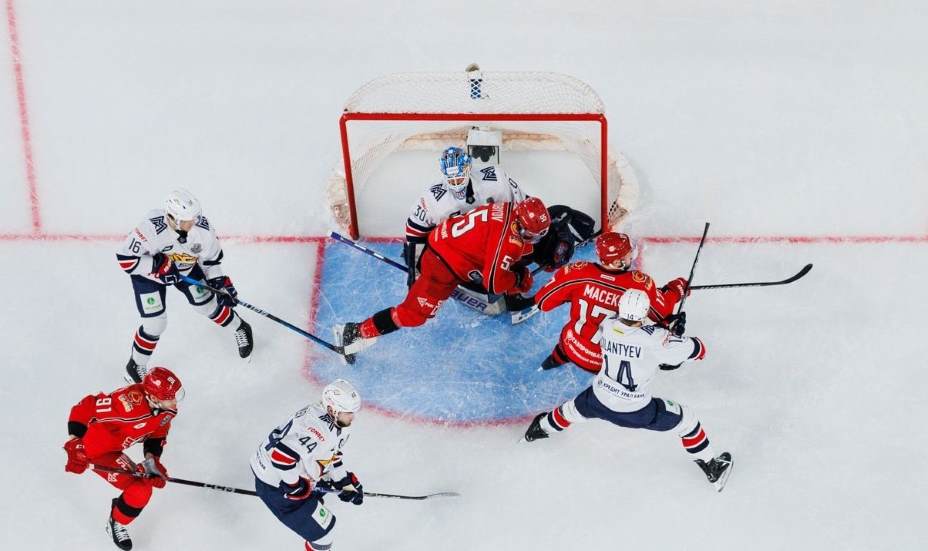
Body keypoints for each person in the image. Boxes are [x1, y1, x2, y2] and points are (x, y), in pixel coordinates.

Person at [523, 290, 733, 491]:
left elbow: (633, 334)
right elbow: (698, 350)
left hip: (598, 399)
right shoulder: (657, 340)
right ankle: (712, 467)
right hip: (637, 411)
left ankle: (538, 430)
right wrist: (674, 334)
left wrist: (664, 331)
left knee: (570, 411)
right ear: (644, 312)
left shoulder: (608, 325)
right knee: (687, 421)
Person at [335, 198, 551, 364]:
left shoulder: (509, 208)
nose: (532, 240)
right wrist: (518, 278)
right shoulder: (508, 240)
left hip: (446, 243)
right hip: (442, 265)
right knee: (414, 315)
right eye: (529, 234)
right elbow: (494, 283)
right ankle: (355, 332)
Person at [116, 189, 253, 383]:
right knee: (155, 324)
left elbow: (211, 262)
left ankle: (240, 327)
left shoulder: (203, 230)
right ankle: (135, 365)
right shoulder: (150, 229)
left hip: (185, 269)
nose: (195, 222)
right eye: (189, 219)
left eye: (196, 216)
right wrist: (156, 266)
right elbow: (125, 259)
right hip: (149, 277)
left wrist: (220, 283)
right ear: (173, 218)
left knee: (206, 305)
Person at [532, 231, 690, 372]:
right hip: (607, 362)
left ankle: (555, 359)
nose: (631, 255)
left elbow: (542, 302)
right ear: (617, 262)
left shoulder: (578, 272)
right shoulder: (640, 285)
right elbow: (662, 314)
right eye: (628, 254)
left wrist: (573, 295)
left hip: (573, 347)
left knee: (570, 334)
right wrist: (676, 289)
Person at [63, 367, 184, 550]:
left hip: (114, 449)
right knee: (140, 487)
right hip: (91, 450)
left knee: (142, 488)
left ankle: (117, 521)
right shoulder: (126, 404)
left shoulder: (167, 409)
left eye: (176, 395)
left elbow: (158, 432)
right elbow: (86, 407)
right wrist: (74, 442)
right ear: (153, 398)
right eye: (170, 397)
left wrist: (152, 460)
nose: (175, 401)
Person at [251, 379, 364, 551]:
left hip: (282, 472)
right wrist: (295, 487)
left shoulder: (334, 422)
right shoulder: (317, 429)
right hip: (275, 486)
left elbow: (329, 455)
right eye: (348, 413)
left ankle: (308, 502)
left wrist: (343, 481)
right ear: (332, 410)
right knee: (324, 536)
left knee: (318, 504)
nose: (352, 417)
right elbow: (281, 457)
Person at [403, 142, 526, 288]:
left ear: (468, 168)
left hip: (489, 240)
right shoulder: (432, 199)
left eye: (459, 178)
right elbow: (414, 233)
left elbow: (522, 206)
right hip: (457, 249)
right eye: (451, 179)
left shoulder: (496, 180)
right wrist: (414, 270)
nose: (456, 184)